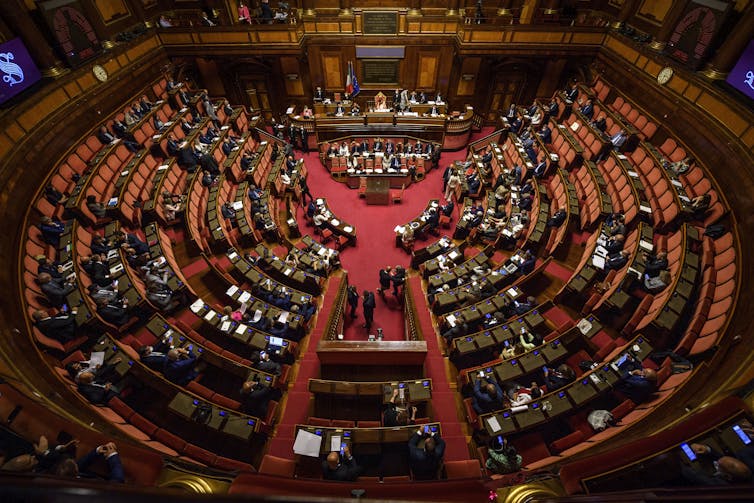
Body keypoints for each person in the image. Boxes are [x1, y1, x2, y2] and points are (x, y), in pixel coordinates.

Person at [679, 442, 752, 486]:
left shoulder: (718, 485)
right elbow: (722, 460)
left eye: (718, 465)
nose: (716, 463)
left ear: (727, 476)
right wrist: (707, 449)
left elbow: (694, 476)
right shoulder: (741, 472)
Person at [54, 442, 125, 483]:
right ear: (75, 472)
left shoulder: (69, 477)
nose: (77, 463)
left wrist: (97, 451)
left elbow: (80, 464)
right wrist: (112, 456)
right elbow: (117, 482)